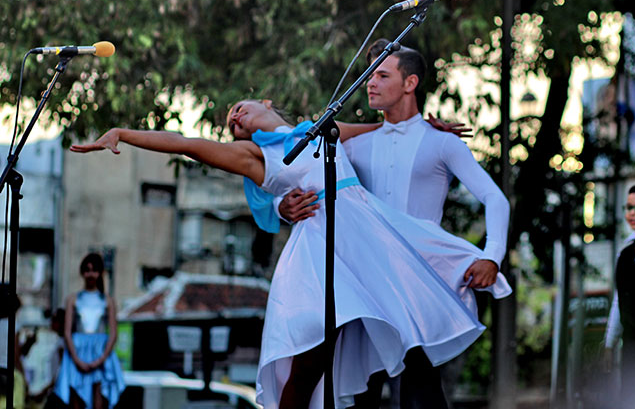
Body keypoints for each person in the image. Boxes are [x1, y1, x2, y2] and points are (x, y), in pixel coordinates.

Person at [69, 99, 511, 409]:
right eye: (230, 124)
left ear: (265, 101)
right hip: (318, 252)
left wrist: (429, 127)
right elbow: (186, 143)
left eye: (238, 109)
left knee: (395, 326)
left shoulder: (320, 130)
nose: (234, 119)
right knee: (313, 353)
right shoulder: (255, 154)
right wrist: (124, 134)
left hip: (365, 239)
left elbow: (386, 132)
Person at [276, 39, 510, 408]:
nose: (370, 83)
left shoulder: (441, 142)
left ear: (410, 83)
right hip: (367, 282)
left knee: (421, 391)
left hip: (418, 282)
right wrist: (280, 205)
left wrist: (491, 256)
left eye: (381, 75)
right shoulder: (352, 145)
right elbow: (298, 175)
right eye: (368, 75)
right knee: (359, 392)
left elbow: (495, 198)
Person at [53, 253, 124, 409]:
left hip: (100, 354)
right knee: (76, 400)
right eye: (87, 270)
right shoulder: (72, 299)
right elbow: (67, 332)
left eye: (94, 270)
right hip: (77, 353)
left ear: (100, 273)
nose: (90, 274)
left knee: (99, 401)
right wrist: (77, 360)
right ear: (82, 272)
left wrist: (100, 359)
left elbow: (113, 333)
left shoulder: (108, 300)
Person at [604, 184, 635, 408]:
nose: (632, 213)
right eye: (628, 207)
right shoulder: (625, 251)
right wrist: (610, 342)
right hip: (632, 346)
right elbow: (620, 299)